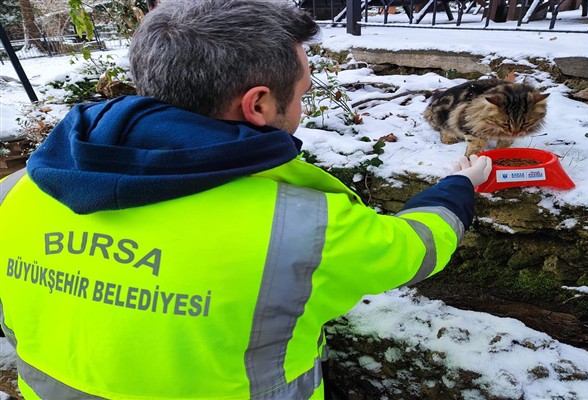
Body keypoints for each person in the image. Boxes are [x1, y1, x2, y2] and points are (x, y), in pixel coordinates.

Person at [0, 0, 492, 399]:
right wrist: (459, 187)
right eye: (302, 91)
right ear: (258, 104)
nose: (301, 104)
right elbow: (413, 248)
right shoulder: (304, 224)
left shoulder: (17, 191)